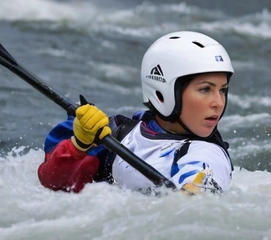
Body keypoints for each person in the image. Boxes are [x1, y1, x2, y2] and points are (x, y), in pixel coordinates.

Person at [37, 31, 234, 195]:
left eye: (223, 90)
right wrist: (77, 146)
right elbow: (53, 185)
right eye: (205, 89)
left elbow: (201, 186)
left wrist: (195, 193)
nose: (219, 102)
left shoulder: (208, 154)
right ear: (163, 93)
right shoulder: (116, 134)